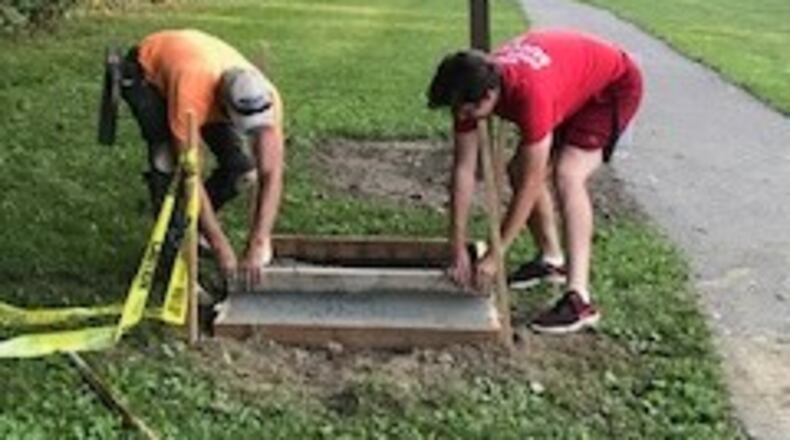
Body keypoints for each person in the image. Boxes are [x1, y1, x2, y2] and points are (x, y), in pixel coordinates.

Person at [426, 29, 643, 334]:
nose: (464, 116)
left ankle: (578, 299)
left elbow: (530, 185)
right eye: (458, 111)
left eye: (469, 111)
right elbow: (463, 168)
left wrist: (495, 255)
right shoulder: (469, 90)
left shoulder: (530, 95)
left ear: (489, 96)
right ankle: (551, 259)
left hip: (611, 86)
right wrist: (457, 243)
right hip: (568, 80)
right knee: (519, 168)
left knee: (568, 174)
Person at [114, 29, 284, 288]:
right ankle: (170, 258)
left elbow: (271, 173)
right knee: (167, 161)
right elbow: (190, 175)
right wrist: (220, 243)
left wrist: (259, 240)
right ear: (225, 106)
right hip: (145, 71)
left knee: (241, 171)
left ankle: (193, 227)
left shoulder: (266, 98)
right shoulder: (191, 94)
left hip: (201, 68)